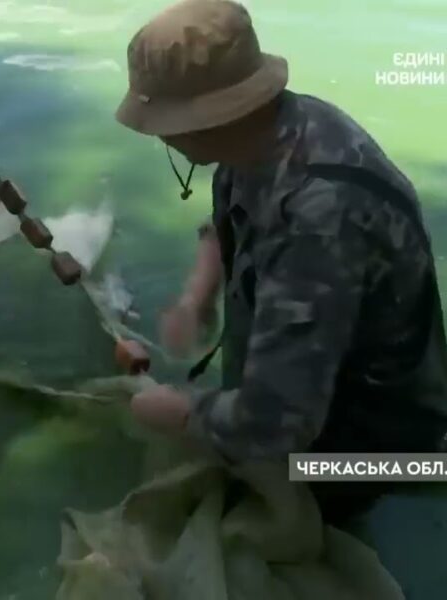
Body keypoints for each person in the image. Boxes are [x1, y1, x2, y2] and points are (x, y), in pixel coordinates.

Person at [116, 0, 447, 528]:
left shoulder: (319, 219)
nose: (160, 135)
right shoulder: (272, 128)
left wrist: (180, 412)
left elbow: (276, 426)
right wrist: (198, 293)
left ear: (211, 119)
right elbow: (230, 218)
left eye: (165, 123)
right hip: (301, 390)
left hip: (371, 451)